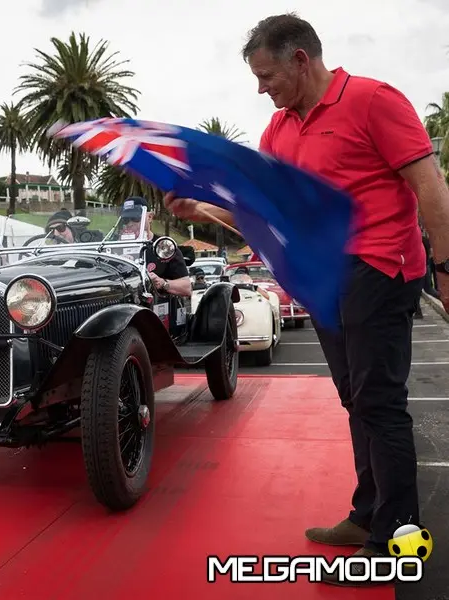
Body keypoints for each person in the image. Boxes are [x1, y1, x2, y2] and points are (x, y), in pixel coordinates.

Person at [164, 13, 449, 585]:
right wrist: (202, 211)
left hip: (380, 266)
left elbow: (430, 189)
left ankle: (394, 542)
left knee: (379, 401)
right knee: (355, 398)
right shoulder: (279, 131)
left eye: (266, 75)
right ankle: (368, 515)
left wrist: (445, 272)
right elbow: (262, 213)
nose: (260, 89)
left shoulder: (373, 100)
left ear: (301, 60)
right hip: (325, 276)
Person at [115, 197, 192, 297]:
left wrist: (162, 283)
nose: (130, 223)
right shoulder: (114, 248)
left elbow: (187, 288)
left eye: (135, 218)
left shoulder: (164, 246)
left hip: (158, 304)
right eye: (126, 220)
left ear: (150, 217)